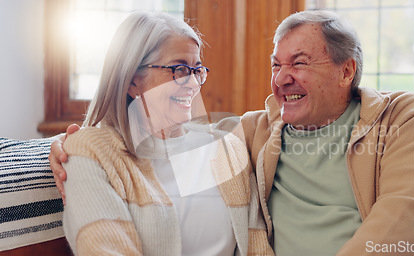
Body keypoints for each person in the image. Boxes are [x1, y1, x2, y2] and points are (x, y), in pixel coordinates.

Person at [51, 10, 414, 255]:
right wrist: (66, 146)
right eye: (275, 64)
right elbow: (137, 144)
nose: (281, 78)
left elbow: (404, 216)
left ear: (346, 70)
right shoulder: (256, 130)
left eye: (298, 63)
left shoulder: (400, 116)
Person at [53, 11, 273, 256]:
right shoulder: (91, 152)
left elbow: (257, 247)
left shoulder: (227, 148)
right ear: (132, 81)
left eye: (197, 70)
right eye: (179, 70)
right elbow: (103, 249)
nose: (192, 83)